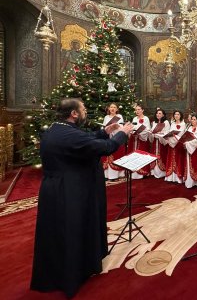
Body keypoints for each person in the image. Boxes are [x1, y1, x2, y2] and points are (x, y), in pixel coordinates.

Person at [31, 98, 133, 297]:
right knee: (70, 231)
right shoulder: (69, 134)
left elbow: (84, 138)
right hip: (69, 191)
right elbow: (104, 148)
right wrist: (121, 134)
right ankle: (72, 274)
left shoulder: (57, 129)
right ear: (74, 114)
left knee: (62, 232)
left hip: (57, 187)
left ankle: (77, 266)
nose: (85, 111)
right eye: (83, 109)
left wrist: (105, 131)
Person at [102, 103, 125, 180]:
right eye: (111, 107)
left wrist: (116, 126)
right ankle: (108, 175)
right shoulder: (106, 117)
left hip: (117, 138)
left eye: (114, 107)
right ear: (109, 108)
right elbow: (104, 127)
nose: (112, 109)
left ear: (117, 109)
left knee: (117, 155)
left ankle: (118, 174)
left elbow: (121, 127)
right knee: (108, 155)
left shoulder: (119, 116)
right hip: (108, 138)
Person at [129, 104, 151, 179]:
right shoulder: (134, 118)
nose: (137, 111)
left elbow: (147, 129)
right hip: (134, 139)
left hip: (142, 140)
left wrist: (139, 133)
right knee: (133, 155)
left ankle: (141, 172)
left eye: (139, 109)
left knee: (141, 155)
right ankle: (133, 172)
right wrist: (133, 131)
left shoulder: (146, 118)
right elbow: (132, 127)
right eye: (136, 109)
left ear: (142, 110)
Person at [164, 110, 186, 183]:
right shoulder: (172, 123)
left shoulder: (183, 124)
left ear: (180, 116)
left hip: (178, 144)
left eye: (178, 114)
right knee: (171, 159)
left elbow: (183, 134)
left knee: (178, 159)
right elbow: (170, 132)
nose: (176, 115)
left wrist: (176, 138)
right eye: (175, 114)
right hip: (171, 144)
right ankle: (170, 177)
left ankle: (178, 177)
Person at [149, 108, 170, 179]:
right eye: (157, 113)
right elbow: (152, 131)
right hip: (155, 142)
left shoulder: (166, 122)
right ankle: (154, 171)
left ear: (163, 115)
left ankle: (162, 172)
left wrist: (160, 134)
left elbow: (167, 133)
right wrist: (152, 133)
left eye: (160, 113)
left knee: (162, 155)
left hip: (162, 142)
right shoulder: (154, 122)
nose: (158, 114)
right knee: (154, 155)